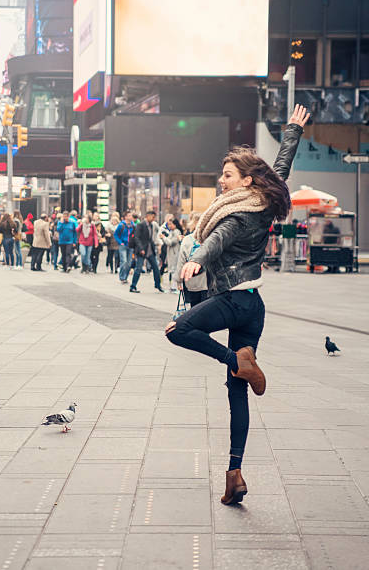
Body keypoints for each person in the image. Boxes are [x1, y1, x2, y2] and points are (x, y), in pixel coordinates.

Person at [165, 105, 310, 506]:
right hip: (253, 306)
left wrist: (197, 258)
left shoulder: (236, 215)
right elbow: (280, 168)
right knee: (237, 392)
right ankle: (235, 474)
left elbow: (217, 241)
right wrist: (293, 131)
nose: (221, 180)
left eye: (227, 175)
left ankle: (235, 359)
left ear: (246, 180)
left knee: (178, 330)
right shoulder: (263, 202)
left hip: (231, 299)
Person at [175, 213, 208, 307]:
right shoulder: (211, 239)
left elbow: (181, 261)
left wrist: (179, 280)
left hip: (192, 282)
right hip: (208, 282)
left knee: (195, 309)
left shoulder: (187, 240)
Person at [129, 210, 164, 293]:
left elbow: (150, 238)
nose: (154, 219)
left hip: (150, 250)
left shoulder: (151, 225)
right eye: (153, 216)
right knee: (138, 268)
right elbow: (137, 238)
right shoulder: (140, 225)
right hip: (142, 251)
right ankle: (133, 286)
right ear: (148, 216)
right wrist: (141, 249)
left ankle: (158, 285)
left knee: (156, 268)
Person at [159, 217, 181, 293]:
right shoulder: (172, 232)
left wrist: (164, 238)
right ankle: (172, 287)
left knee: (174, 270)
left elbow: (171, 242)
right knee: (171, 270)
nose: (169, 226)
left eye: (171, 224)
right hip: (171, 254)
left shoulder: (177, 232)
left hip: (174, 254)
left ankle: (174, 287)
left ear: (175, 224)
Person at [114, 210, 135, 284]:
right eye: (129, 215)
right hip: (123, 245)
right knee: (124, 261)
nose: (130, 217)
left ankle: (125, 277)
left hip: (130, 246)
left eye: (131, 215)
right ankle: (122, 277)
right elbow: (115, 234)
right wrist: (120, 242)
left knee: (129, 263)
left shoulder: (133, 225)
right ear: (125, 217)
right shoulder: (121, 225)